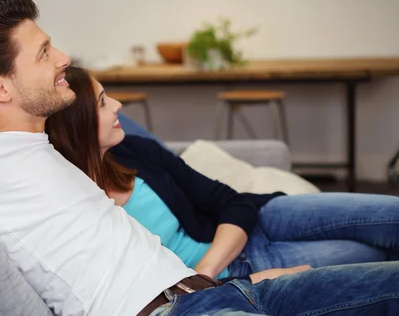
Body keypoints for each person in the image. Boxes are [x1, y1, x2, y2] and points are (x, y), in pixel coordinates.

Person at [0, 0, 398, 316]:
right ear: (0, 88)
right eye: (43, 52)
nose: (63, 56)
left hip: (225, 293)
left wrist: (233, 279)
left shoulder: (52, 148)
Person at [45, 66, 399, 280]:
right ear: (79, 127)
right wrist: (247, 283)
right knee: (380, 264)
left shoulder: (135, 150)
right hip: (248, 268)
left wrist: (206, 272)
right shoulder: (77, 209)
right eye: (104, 102)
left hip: (261, 218)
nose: (119, 105)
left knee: (389, 217)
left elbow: (227, 199)